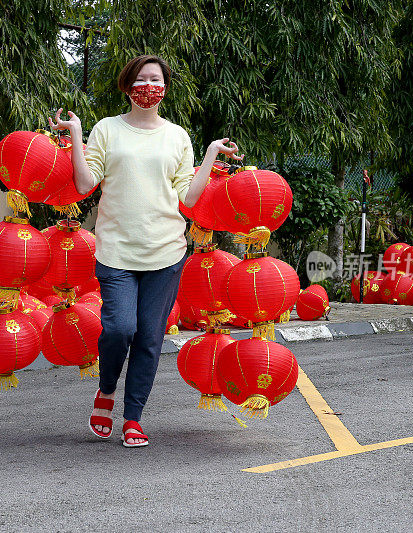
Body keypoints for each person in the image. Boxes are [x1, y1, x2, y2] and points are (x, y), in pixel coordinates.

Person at [49, 54, 243, 448]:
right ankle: (106, 390)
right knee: (120, 328)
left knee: (150, 339)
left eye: (156, 81)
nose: (149, 87)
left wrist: (208, 154)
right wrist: (77, 134)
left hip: (166, 252)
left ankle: (133, 418)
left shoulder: (176, 137)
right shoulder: (108, 129)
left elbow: (188, 194)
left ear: (165, 89)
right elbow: (86, 182)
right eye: (142, 80)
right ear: (128, 85)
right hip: (116, 250)